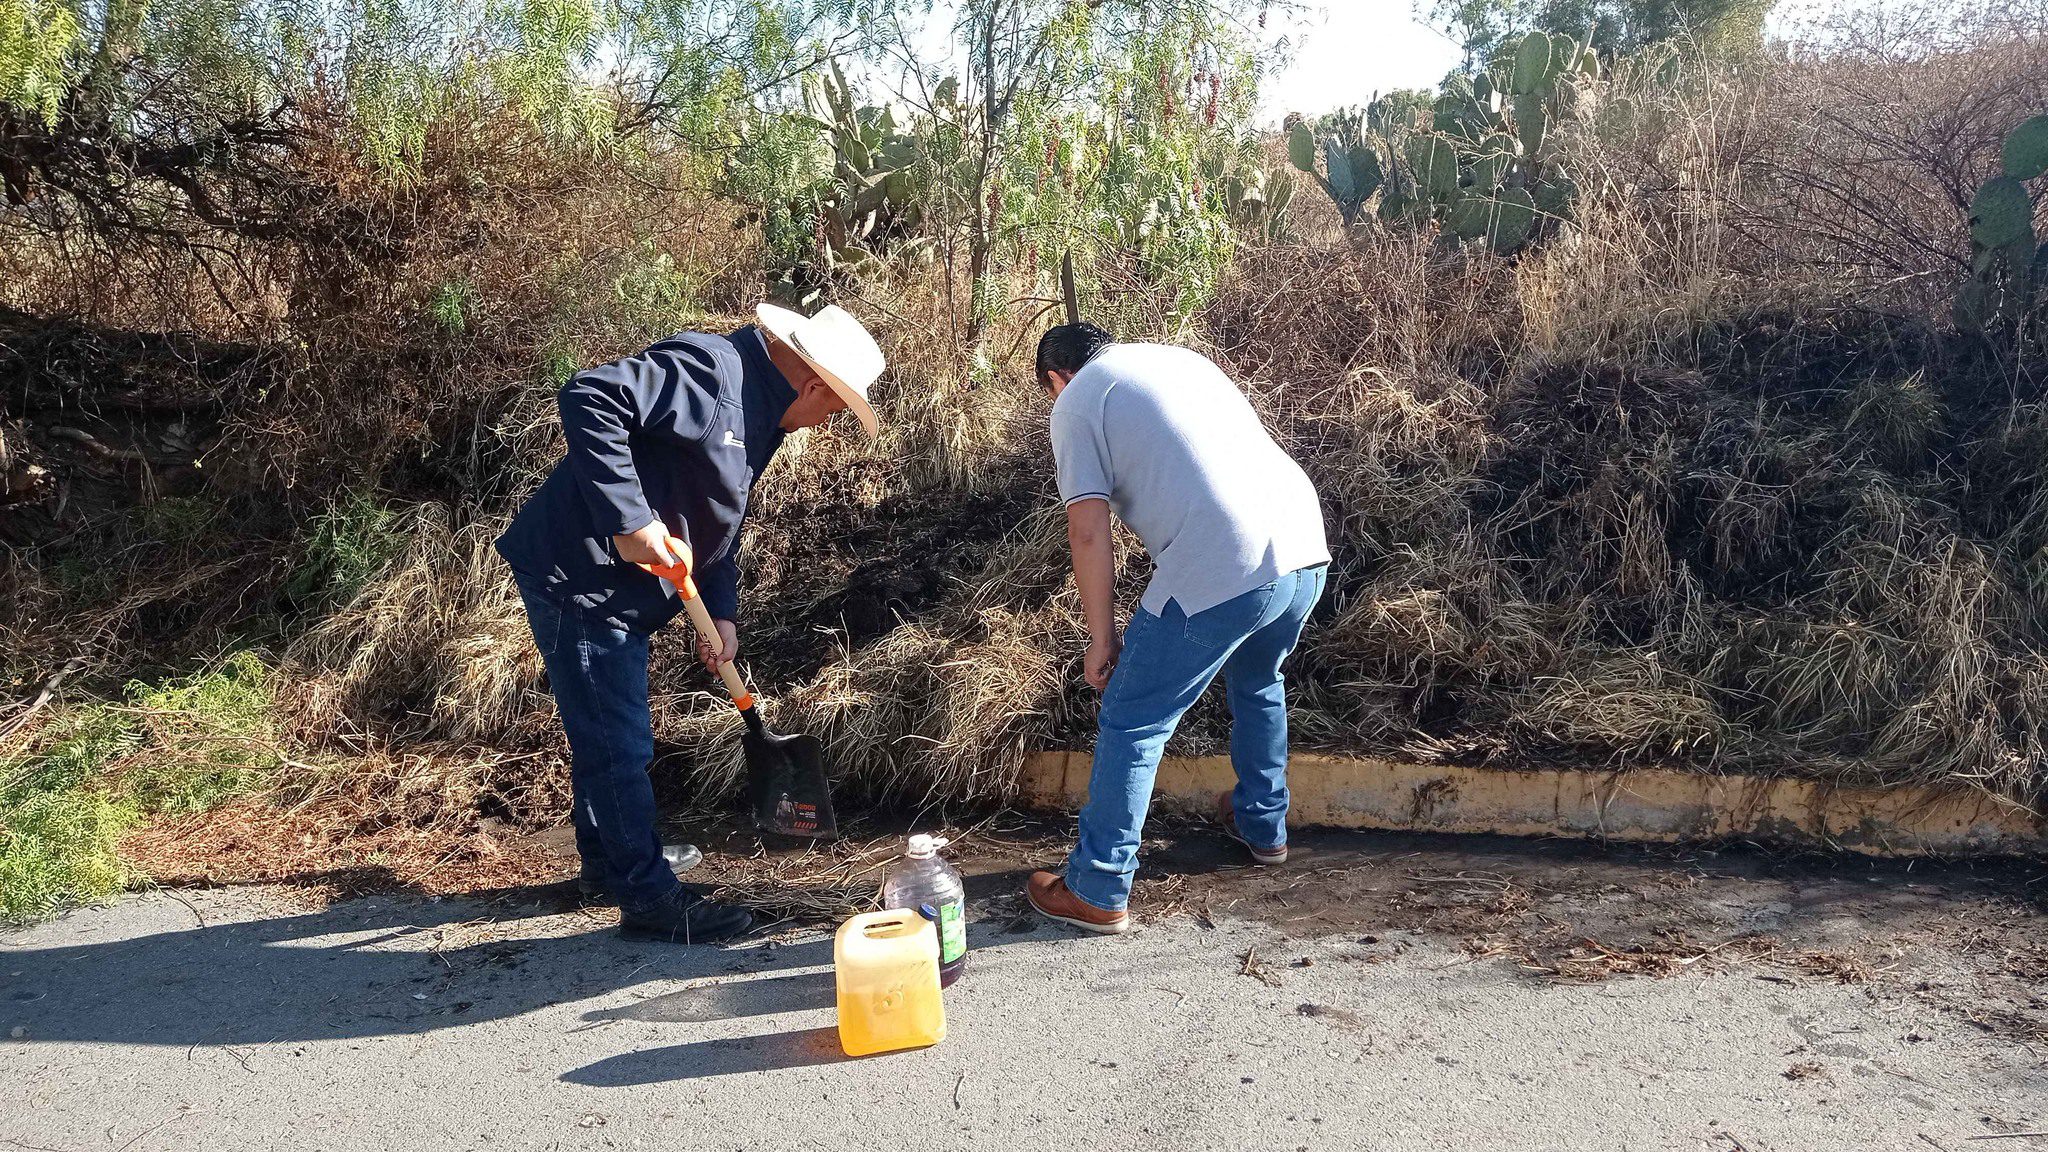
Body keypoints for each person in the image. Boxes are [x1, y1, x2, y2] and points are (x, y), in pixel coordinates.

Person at [496, 304, 885, 943]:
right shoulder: (711, 372)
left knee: (605, 728)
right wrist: (632, 520)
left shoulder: (761, 415)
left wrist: (720, 610)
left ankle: (606, 863)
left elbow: (716, 521)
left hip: (628, 586)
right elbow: (589, 396)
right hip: (580, 577)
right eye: (837, 408)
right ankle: (647, 898)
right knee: (619, 741)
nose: (830, 420)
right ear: (814, 386)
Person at [1024, 323, 1329, 935]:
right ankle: (1262, 825)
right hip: (1302, 542)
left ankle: (1098, 886)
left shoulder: (1078, 400)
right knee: (1258, 680)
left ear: (1058, 379)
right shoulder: (1176, 360)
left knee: (1132, 716)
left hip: (1226, 557)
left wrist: (1102, 635)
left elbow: (1087, 532)